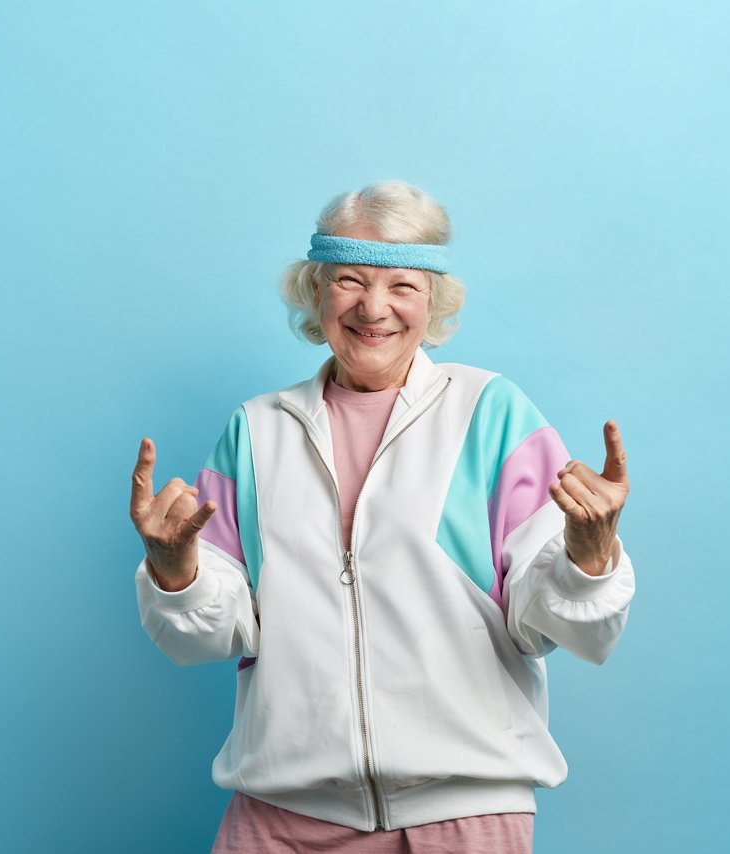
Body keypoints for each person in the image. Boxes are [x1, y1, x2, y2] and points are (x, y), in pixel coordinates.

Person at [129, 180, 636, 853]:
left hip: (463, 817)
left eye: (402, 284)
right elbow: (208, 636)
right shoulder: (255, 431)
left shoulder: (491, 414)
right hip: (280, 814)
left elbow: (557, 624)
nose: (374, 307)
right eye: (349, 280)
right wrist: (175, 571)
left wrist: (590, 557)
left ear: (434, 300)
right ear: (316, 292)